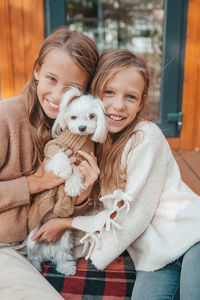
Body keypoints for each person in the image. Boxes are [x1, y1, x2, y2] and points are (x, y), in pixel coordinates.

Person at [33, 48, 200, 300]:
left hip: (191, 234)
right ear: (94, 93)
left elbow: (132, 217)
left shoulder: (146, 137)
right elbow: (96, 210)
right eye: (109, 92)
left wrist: (65, 223)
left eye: (130, 97)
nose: (118, 105)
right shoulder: (92, 141)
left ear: (141, 102)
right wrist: (82, 196)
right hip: (153, 257)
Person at [0, 26, 99, 299]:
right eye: (51, 79)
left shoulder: (78, 129)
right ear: (36, 72)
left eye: (71, 88)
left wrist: (83, 196)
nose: (57, 96)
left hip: (39, 242)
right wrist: (35, 182)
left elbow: (68, 200)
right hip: (5, 246)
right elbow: (44, 184)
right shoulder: (5, 117)